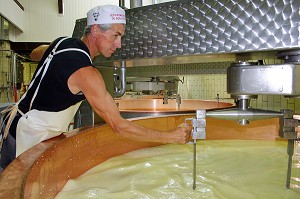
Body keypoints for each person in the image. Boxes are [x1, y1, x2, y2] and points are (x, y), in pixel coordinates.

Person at [0, 5, 191, 170]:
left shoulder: (62, 42)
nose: (119, 44)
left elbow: (36, 53)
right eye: (115, 36)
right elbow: (119, 125)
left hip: (13, 122)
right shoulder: (86, 73)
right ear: (96, 29)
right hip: (24, 136)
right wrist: (171, 137)